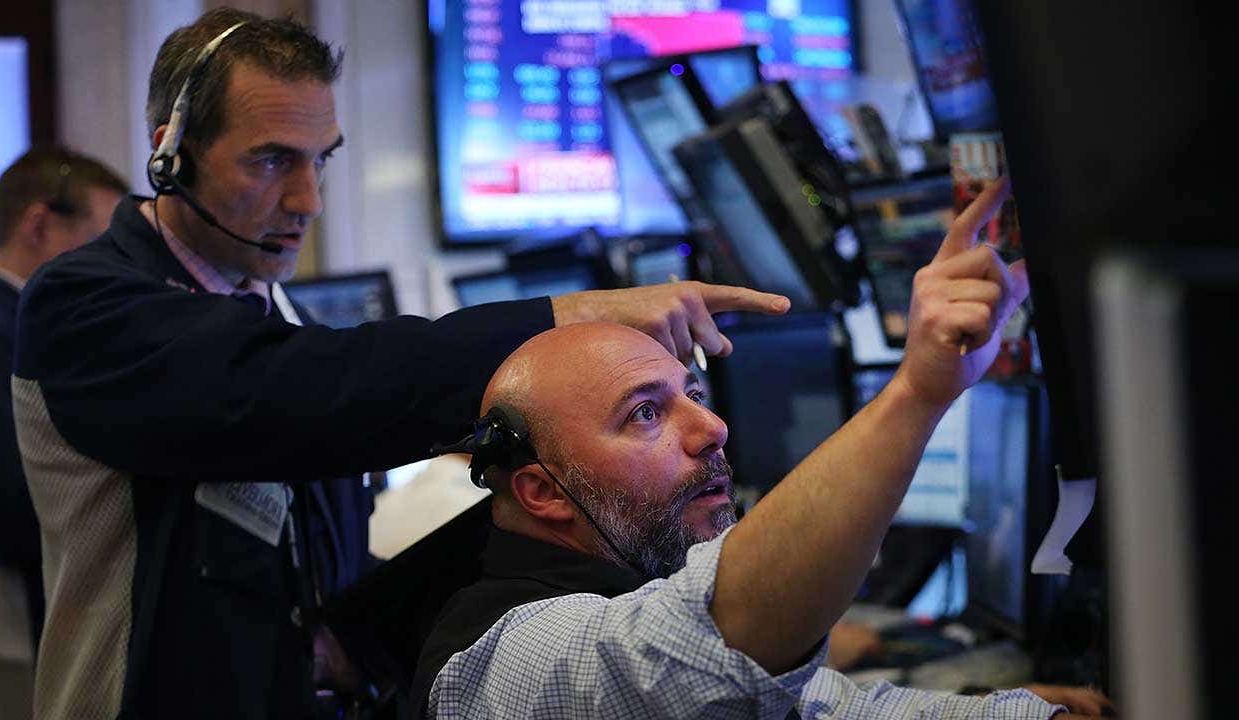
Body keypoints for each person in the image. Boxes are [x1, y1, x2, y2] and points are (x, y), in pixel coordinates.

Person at [10, 8, 787, 720]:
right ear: (169, 151)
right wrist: (572, 315)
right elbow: (308, 392)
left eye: (321, 160)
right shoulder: (85, 306)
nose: (307, 200)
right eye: (272, 161)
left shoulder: (272, 304)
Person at [412, 180, 1116, 719]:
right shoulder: (496, 662)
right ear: (542, 491)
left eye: (695, 395)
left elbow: (827, 708)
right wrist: (918, 392)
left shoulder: (632, 576)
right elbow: (707, 644)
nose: (711, 429)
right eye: (647, 413)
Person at [0, 147, 125, 719]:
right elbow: (21, 516)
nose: (117, 270)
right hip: (5, 661)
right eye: (104, 243)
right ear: (38, 225)